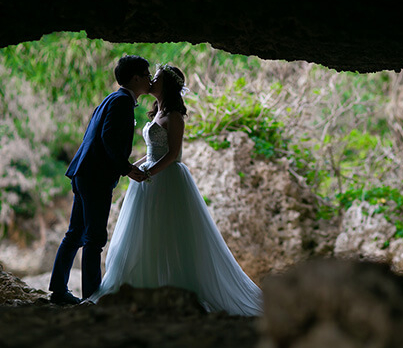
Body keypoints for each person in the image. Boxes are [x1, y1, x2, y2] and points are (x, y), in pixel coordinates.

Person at [88, 64, 263, 316]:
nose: (151, 81)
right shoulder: (157, 112)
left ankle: (176, 287)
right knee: (146, 233)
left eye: (156, 78)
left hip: (166, 178)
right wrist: (131, 168)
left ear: (166, 85)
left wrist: (148, 173)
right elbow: (150, 152)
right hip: (148, 177)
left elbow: (173, 155)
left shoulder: (174, 116)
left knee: (169, 232)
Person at [49, 55, 150, 305]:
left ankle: (59, 290)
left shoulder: (112, 98)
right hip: (95, 176)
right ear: (136, 77)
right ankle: (91, 296)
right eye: (147, 74)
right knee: (94, 238)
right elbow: (107, 139)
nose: (149, 79)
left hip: (85, 171)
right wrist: (126, 169)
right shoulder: (122, 103)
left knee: (75, 233)